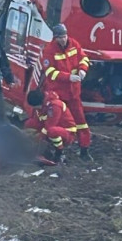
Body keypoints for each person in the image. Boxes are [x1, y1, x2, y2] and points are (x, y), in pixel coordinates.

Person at [41, 23, 92, 161]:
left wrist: (83, 69)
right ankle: (55, 150)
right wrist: (68, 77)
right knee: (53, 122)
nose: (63, 39)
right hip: (58, 94)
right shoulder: (49, 50)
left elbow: (84, 58)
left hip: (74, 93)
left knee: (81, 121)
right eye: (60, 37)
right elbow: (50, 72)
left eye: (64, 36)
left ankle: (84, 150)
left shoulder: (74, 44)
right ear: (55, 38)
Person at [25, 89, 77, 164]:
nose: (36, 109)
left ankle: (59, 152)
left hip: (67, 133)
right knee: (29, 123)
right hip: (50, 128)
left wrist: (38, 139)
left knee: (52, 131)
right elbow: (37, 121)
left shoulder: (55, 106)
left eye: (36, 107)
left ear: (40, 103)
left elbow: (49, 125)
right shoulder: (42, 105)